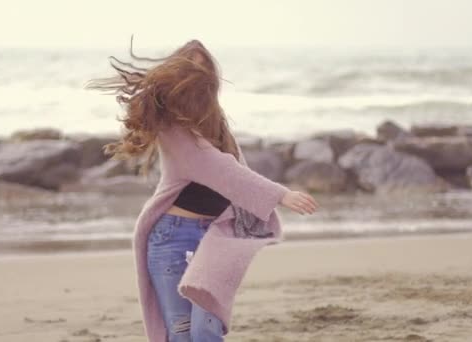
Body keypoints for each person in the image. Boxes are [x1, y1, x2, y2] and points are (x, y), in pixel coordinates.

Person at [85, 37, 318, 342]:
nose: (198, 72)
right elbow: (218, 167)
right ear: (176, 73)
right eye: (190, 65)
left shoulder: (216, 124)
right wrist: (280, 194)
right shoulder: (172, 129)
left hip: (215, 236)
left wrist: (256, 211)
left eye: (204, 66)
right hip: (173, 236)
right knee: (181, 332)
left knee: (206, 329)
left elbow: (237, 172)